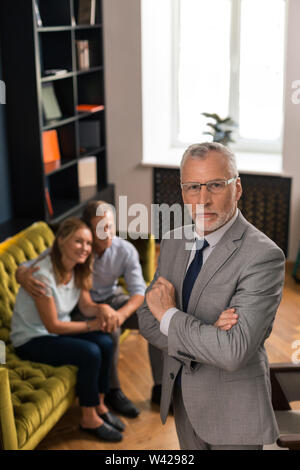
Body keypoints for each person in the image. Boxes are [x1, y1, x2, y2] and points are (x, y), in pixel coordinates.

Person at [137, 142, 285, 450]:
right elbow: (146, 321)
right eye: (193, 187)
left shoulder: (263, 256)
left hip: (234, 416)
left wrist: (171, 316)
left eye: (216, 185)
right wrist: (207, 336)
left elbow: (233, 352)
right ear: (182, 191)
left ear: (238, 188)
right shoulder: (174, 239)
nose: (203, 200)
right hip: (183, 405)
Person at [16, 201, 163, 417]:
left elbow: (139, 292)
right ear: (87, 228)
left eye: (110, 226)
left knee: (154, 321)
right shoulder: (78, 247)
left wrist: (121, 315)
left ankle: (160, 387)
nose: (107, 233)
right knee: (108, 328)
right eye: (100, 228)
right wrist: (21, 275)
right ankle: (113, 391)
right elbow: (31, 265)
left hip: (114, 299)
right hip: (82, 307)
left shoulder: (125, 250)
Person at [11, 217, 124, 442]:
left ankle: (100, 404)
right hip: (31, 338)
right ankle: (88, 418)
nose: (85, 248)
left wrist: (101, 308)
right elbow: (54, 325)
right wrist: (92, 324)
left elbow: (85, 306)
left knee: (105, 341)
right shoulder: (42, 275)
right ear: (61, 240)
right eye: (78, 241)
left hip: (52, 333)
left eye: (88, 243)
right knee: (89, 352)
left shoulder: (79, 269)